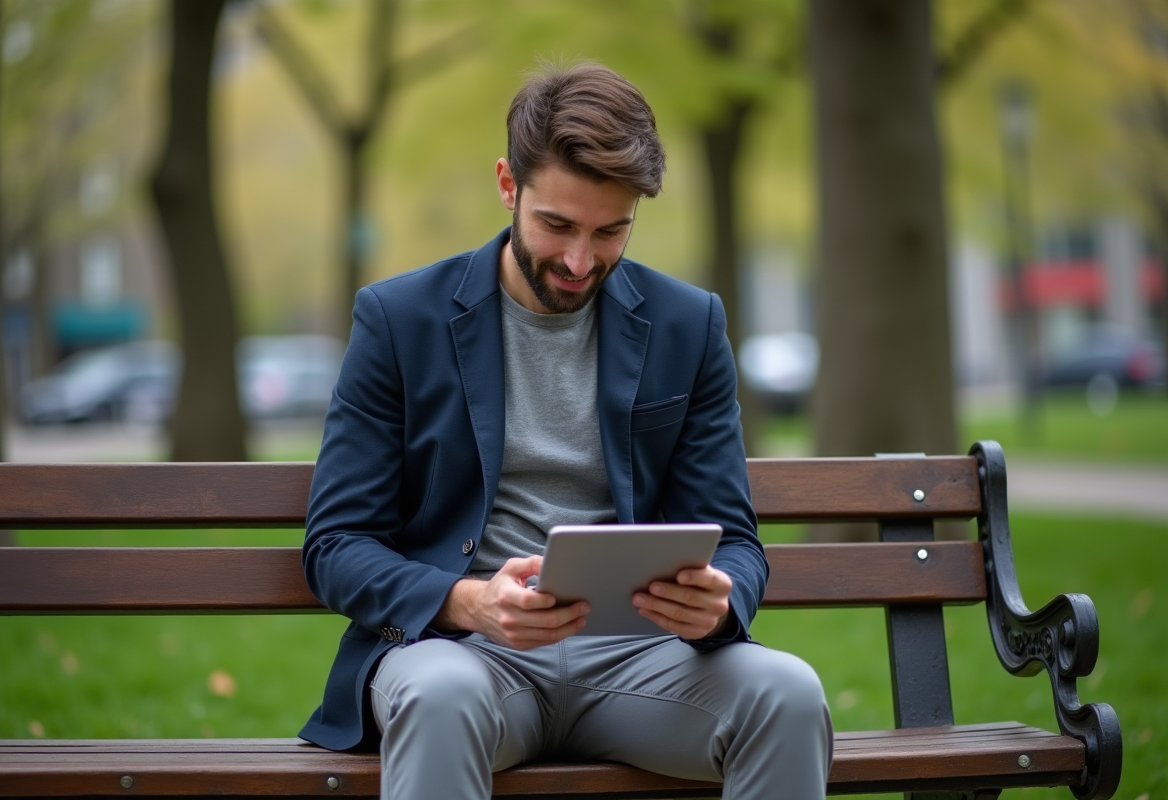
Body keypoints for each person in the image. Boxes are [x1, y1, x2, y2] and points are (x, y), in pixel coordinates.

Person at [300, 61, 832, 799]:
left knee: (789, 694)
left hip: (642, 663)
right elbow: (334, 545)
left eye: (611, 231)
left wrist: (721, 602)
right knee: (441, 698)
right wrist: (467, 599)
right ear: (507, 186)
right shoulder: (398, 321)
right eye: (558, 226)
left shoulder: (689, 325)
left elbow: (736, 542)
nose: (582, 261)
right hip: (464, 653)